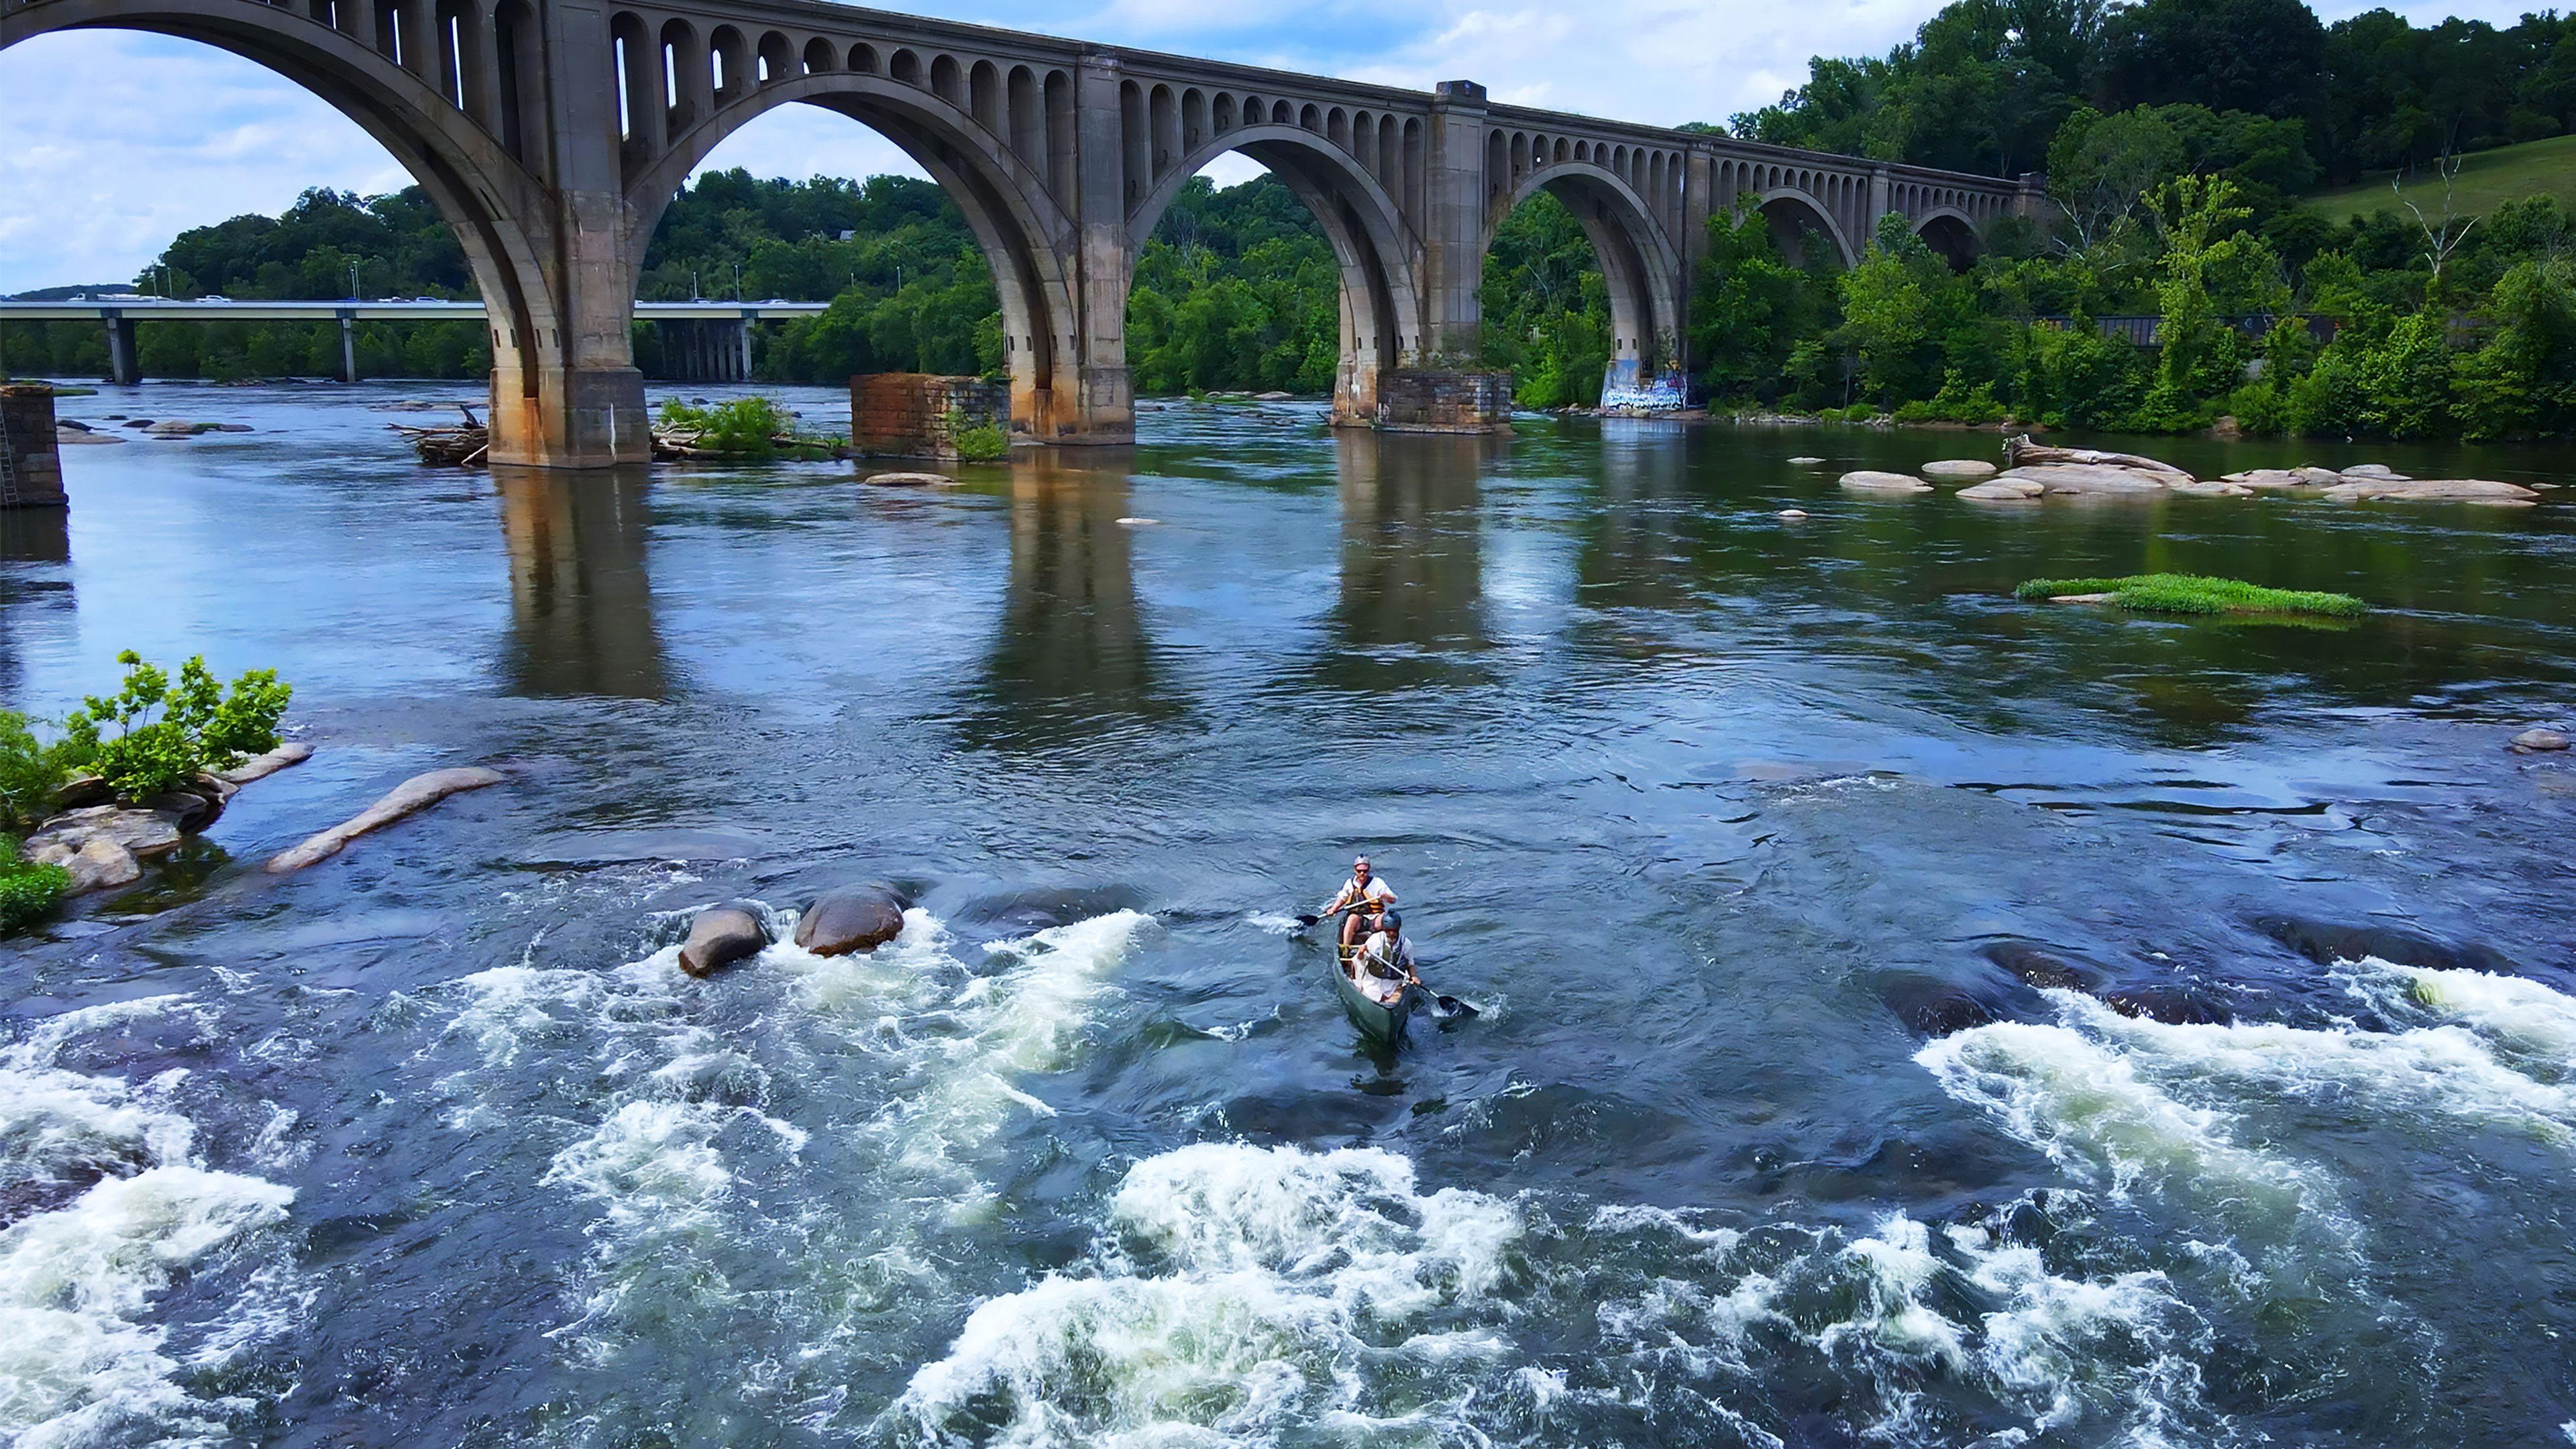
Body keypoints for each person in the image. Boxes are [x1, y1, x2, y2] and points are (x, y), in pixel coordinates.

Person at [1318, 855, 1396, 951]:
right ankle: (1346, 949)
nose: (1362, 873)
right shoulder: (1350, 884)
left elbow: (1393, 900)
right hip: (1359, 920)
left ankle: (1389, 948)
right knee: (1352, 918)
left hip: (1374, 918)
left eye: (1365, 871)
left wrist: (1386, 896)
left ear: (1369, 870)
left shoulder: (1378, 883)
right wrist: (1333, 909)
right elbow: (1342, 898)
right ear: (1355, 870)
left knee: (1388, 920)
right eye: (1359, 871)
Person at [1348, 909, 1417, 1005]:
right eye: (1389, 931)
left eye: (1394, 931)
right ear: (1384, 929)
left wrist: (1414, 976)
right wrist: (1361, 953)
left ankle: (1390, 1007)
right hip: (1373, 984)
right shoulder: (1375, 940)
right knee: (1371, 996)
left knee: (1394, 1001)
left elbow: (1410, 965)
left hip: (1394, 985)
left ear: (1399, 928)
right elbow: (1360, 960)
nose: (1391, 934)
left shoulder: (1406, 944)